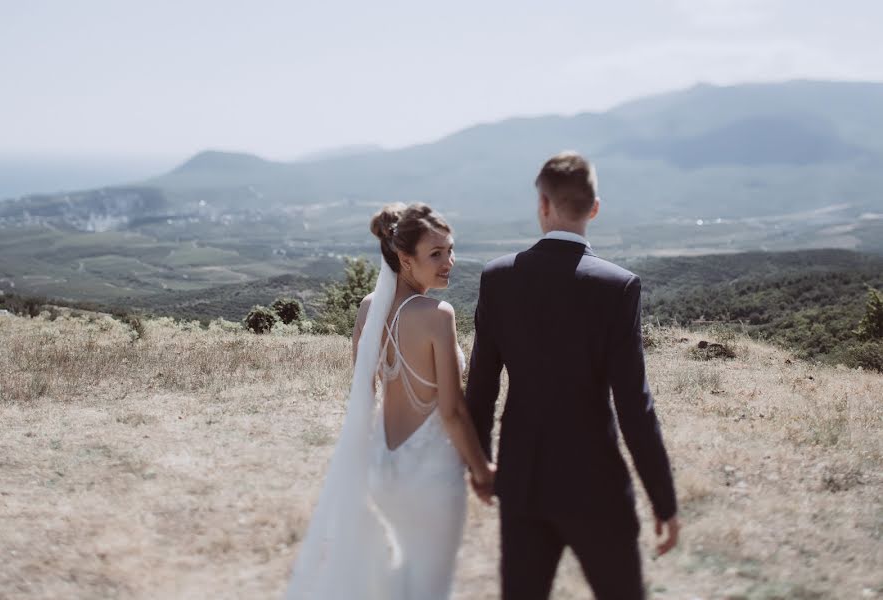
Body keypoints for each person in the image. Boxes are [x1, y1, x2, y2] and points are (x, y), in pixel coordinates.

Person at [466, 152, 681, 600]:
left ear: (543, 204)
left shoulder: (498, 278)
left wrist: (481, 464)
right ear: (594, 208)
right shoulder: (617, 286)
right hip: (595, 483)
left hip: (523, 480)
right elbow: (634, 406)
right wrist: (663, 499)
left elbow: (481, 387)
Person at [285, 202, 494, 600]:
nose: (449, 261)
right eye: (436, 253)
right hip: (429, 474)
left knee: (401, 579)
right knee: (431, 586)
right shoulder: (438, 315)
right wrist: (483, 471)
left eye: (450, 249)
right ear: (404, 258)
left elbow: (365, 392)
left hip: (384, 465)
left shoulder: (369, 309)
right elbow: (450, 412)